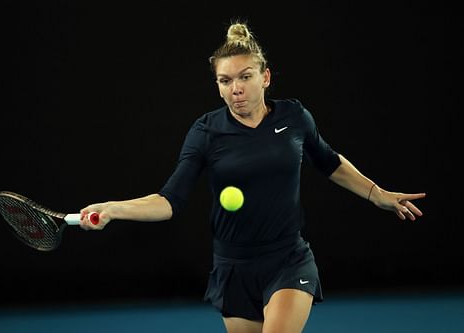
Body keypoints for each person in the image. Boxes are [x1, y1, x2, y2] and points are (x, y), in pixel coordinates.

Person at [79, 20, 426, 333]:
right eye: (225, 80)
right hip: (233, 267)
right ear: (217, 85)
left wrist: (376, 193)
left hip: (288, 259)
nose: (236, 89)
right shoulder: (205, 132)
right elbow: (169, 200)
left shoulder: (295, 116)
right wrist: (113, 209)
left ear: (266, 77)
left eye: (245, 77)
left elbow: (330, 162)